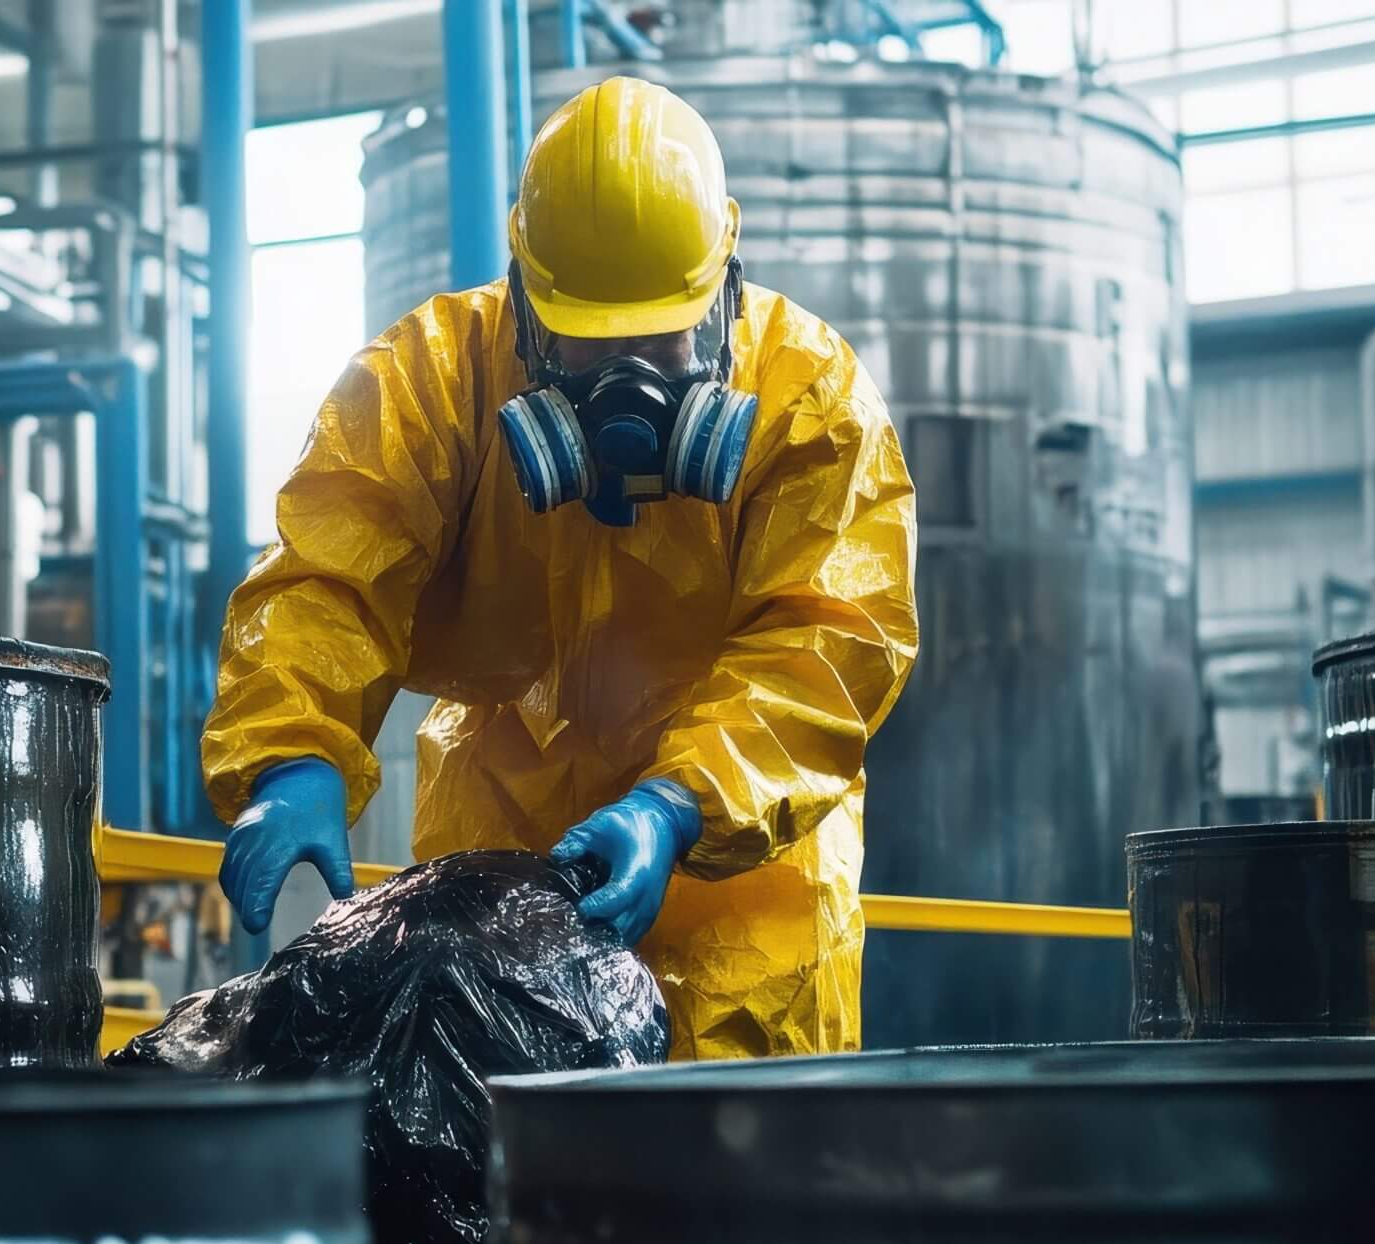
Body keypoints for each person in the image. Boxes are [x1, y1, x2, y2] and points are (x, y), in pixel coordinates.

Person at [202, 76, 919, 1060]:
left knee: (734, 1143)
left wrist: (680, 807)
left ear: (726, 292)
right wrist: (292, 755)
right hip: (500, 872)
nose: (627, 386)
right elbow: (325, 580)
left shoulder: (810, 404)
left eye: (662, 340)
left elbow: (827, 644)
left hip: (747, 899)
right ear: (526, 310)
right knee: (492, 1133)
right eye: (586, 349)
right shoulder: (435, 383)